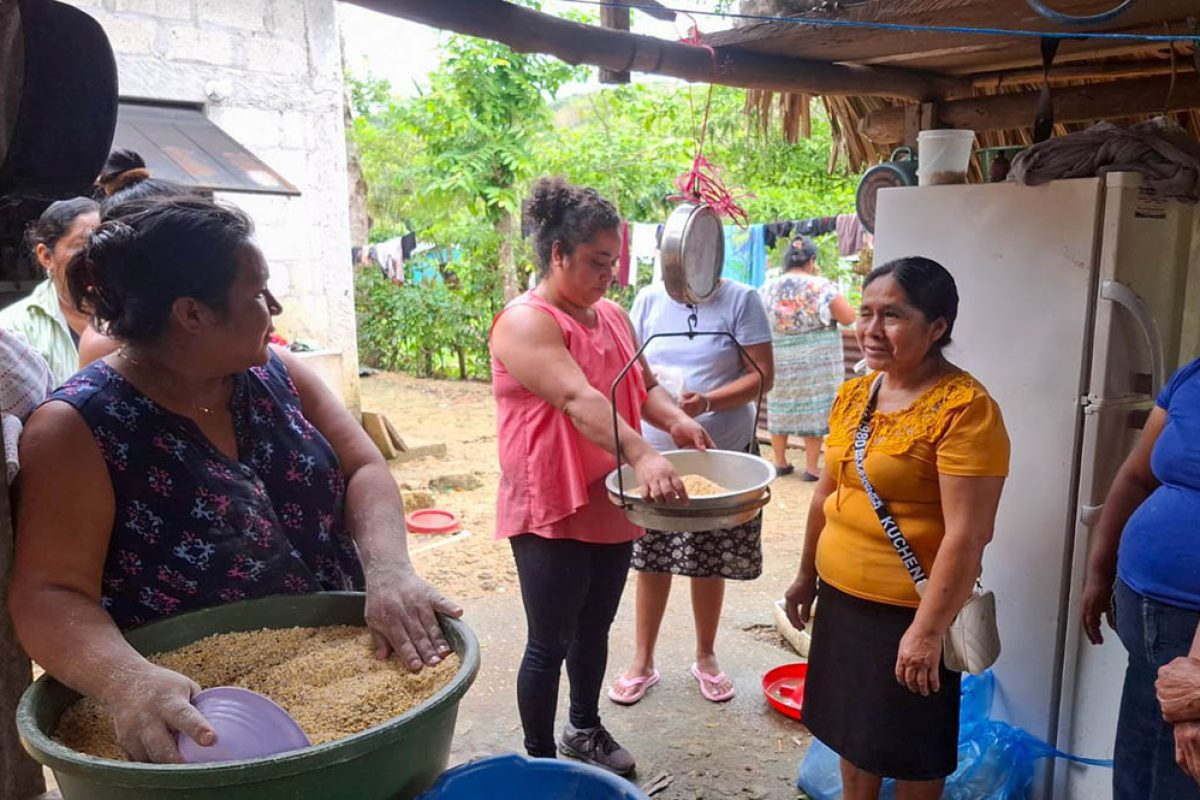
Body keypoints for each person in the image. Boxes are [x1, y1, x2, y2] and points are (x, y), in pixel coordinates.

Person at [8, 196, 460, 764]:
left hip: (347, 665)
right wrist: (128, 681)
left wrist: (389, 570)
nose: (275, 307)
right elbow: (49, 594)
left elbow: (364, 467)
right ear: (192, 314)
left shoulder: (275, 372)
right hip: (206, 719)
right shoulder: (78, 427)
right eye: (258, 293)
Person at [489, 177, 711, 776]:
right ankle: (539, 763)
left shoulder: (611, 315)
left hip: (610, 498)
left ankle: (584, 729)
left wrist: (675, 422)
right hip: (551, 501)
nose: (609, 274)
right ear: (557, 253)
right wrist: (644, 455)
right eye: (596, 261)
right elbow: (577, 397)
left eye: (614, 261)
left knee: (595, 627)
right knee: (549, 640)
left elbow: (642, 386)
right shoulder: (525, 322)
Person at [783, 257, 1009, 800]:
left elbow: (967, 536)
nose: (871, 329)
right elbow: (826, 494)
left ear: (937, 327)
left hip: (910, 612)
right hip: (842, 602)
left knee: (913, 750)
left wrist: (927, 632)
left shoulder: (965, 410)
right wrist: (806, 576)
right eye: (866, 313)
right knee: (851, 735)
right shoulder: (854, 395)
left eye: (892, 315)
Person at [609, 278, 774, 705]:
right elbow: (637, 374)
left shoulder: (741, 300)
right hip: (656, 454)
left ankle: (706, 655)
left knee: (708, 559)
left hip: (722, 453)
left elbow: (762, 376)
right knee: (653, 559)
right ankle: (643, 660)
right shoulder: (648, 299)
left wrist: (707, 402)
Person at [1081, 357, 1200, 799]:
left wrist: (1196, 673)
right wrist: (1099, 572)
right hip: (1147, 618)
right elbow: (1135, 477)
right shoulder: (1193, 376)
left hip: (1191, 633)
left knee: (1177, 780)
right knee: (1135, 770)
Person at [758, 236, 856, 480]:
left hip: (779, 357)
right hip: (815, 361)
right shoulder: (822, 287)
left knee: (779, 405)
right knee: (815, 406)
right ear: (811, 260)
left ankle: (780, 462)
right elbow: (848, 317)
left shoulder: (767, 288)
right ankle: (812, 468)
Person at [0, 197, 100, 384]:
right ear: (46, 256)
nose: (97, 257)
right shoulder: (13, 330)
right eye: (83, 247)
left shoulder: (134, 317)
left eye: (104, 242)